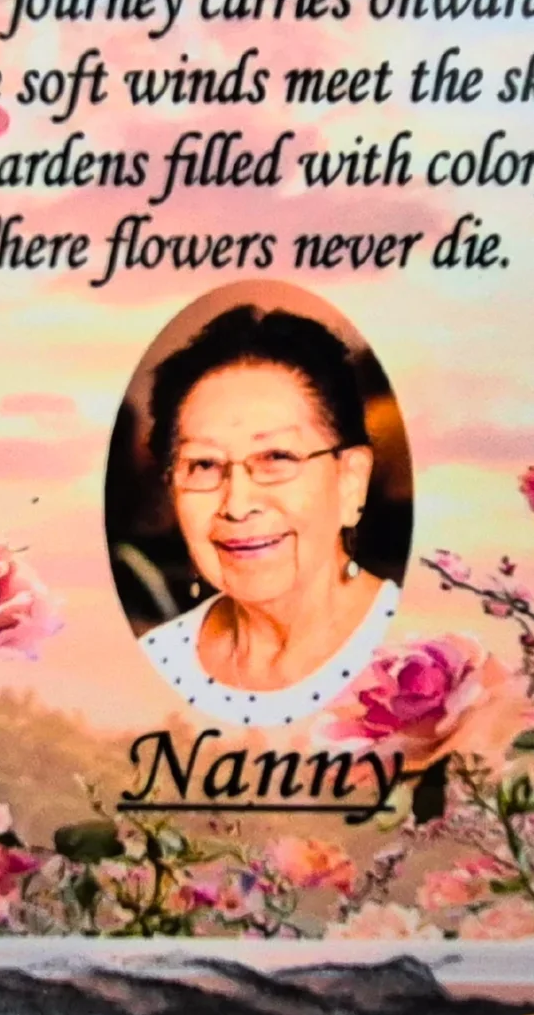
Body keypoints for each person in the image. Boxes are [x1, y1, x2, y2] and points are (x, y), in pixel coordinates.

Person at [134, 305, 399, 724]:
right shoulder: (154, 663)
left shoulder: (422, 656)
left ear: (351, 480)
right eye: (203, 464)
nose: (237, 505)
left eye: (277, 457)